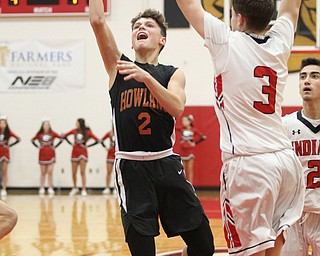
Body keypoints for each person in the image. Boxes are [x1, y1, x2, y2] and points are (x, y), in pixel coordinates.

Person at [176, 0, 305, 255]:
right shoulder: (279, 42)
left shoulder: (227, 41)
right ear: (268, 19)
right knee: (274, 245)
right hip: (286, 162)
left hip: (250, 165)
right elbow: (291, 8)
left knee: (250, 251)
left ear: (239, 18)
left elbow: (188, 4)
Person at [89, 2, 214, 256]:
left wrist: (146, 77)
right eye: (136, 26)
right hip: (132, 169)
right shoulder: (118, 67)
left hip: (165, 164)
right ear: (132, 41)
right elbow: (97, 21)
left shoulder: (172, 73)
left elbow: (177, 107)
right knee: (142, 250)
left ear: (162, 40)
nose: (140, 28)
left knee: (204, 247)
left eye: (148, 25)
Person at [281, 57, 320, 256]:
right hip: (293, 215)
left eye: (315, 76)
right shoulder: (285, 125)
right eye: (303, 76)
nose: (307, 80)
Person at [64, 118, 99, 197]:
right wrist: (70, 143)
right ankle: (75, 188)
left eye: (77, 123)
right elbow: (64, 136)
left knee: (82, 172)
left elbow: (97, 140)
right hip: (74, 152)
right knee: (73, 173)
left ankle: (83, 189)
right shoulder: (74, 131)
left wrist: (87, 145)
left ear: (80, 123)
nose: (76, 124)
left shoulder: (87, 132)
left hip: (83, 153)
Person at [31, 118, 63, 196]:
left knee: (50, 172)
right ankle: (41, 187)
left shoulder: (52, 133)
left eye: (47, 125)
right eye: (44, 125)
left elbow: (61, 138)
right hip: (42, 154)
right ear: (42, 126)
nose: (46, 126)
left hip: (51, 153)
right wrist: (38, 146)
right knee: (43, 172)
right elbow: (32, 140)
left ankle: (50, 187)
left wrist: (55, 146)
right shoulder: (40, 134)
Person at [177, 114, 206, 183]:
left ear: (190, 121)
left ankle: (190, 185)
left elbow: (203, 137)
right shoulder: (181, 129)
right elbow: (173, 127)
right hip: (182, 151)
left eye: (185, 120)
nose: (183, 122)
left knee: (190, 169)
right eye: (182, 120)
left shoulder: (194, 130)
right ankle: (183, 184)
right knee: (182, 169)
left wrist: (195, 143)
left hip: (189, 152)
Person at [0, 116, 20, 197]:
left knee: (4, 171)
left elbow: (18, 139)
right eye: (1, 123)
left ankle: (4, 189)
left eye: (4, 123)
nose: (2, 124)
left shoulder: (8, 132)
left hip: (5, 153)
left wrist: (9, 145)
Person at [100, 126, 115, 195]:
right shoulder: (109, 133)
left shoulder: (119, 132)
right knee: (109, 172)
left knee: (117, 173)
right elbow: (101, 140)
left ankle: (116, 188)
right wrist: (106, 148)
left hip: (117, 154)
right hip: (110, 154)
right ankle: (107, 187)